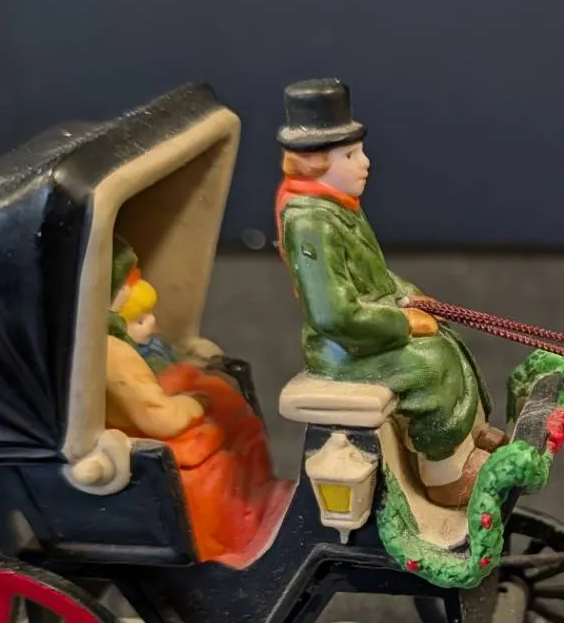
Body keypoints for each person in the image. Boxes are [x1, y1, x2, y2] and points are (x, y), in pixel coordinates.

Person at [273, 78, 504, 508]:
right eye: (350, 155)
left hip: (364, 330)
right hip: (344, 348)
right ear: (314, 163)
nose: (365, 163)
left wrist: (410, 296)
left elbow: (375, 277)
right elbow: (333, 315)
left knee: (446, 340)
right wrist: (400, 322)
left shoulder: (338, 207)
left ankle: (467, 438)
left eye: (359, 151)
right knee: (430, 363)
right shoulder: (310, 223)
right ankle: (445, 476)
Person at [102, 236, 284, 563]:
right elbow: (160, 417)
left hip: (174, 405)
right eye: (139, 320)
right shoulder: (116, 357)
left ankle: (254, 502)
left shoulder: (142, 347)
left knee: (240, 428)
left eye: (148, 314)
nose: (151, 323)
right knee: (217, 461)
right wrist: (198, 402)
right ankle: (223, 536)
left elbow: (168, 365)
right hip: (150, 434)